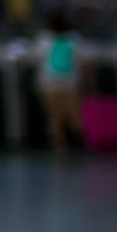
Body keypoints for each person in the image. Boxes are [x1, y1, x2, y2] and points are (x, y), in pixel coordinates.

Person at [37, 14, 83, 151]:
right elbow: (83, 60)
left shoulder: (45, 39)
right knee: (74, 113)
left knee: (55, 115)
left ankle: (60, 143)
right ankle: (85, 139)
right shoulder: (74, 39)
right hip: (70, 81)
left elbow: (36, 56)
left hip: (49, 81)